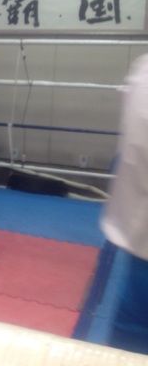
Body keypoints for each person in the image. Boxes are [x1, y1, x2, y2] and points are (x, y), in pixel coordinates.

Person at [100, 54, 148, 355]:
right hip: (140, 232)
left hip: (138, 233)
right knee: (131, 333)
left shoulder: (142, 70)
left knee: (130, 335)